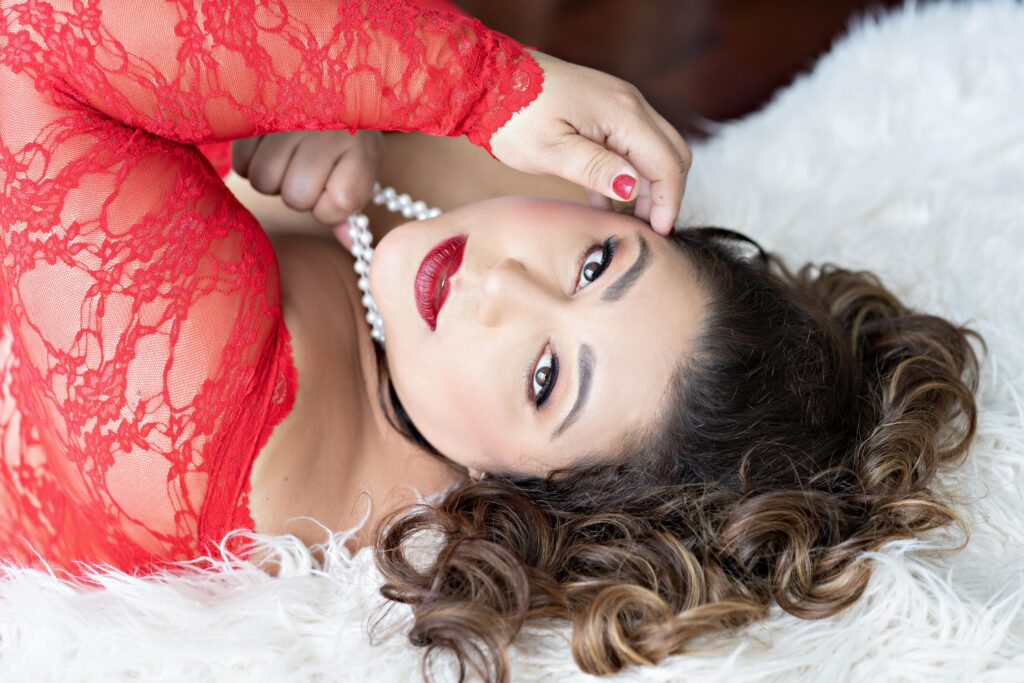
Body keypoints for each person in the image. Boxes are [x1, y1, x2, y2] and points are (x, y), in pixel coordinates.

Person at [0, 1, 981, 681]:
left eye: (548, 376)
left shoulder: (202, 400)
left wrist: (467, 85)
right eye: (600, 263)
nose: (500, 283)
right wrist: (332, 102)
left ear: (518, 497)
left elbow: (40, 27)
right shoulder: (509, 242)